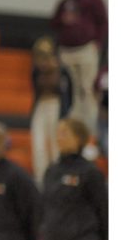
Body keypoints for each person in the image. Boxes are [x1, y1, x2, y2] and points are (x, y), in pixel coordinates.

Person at [51, 0, 107, 135]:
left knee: (87, 88)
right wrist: (63, 20)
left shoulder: (95, 0)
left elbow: (103, 22)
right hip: (67, 51)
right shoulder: (66, 1)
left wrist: (97, 42)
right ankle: (74, 128)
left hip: (86, 49)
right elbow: (53, 22)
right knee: (71, 91)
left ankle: (90, 130)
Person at [30, 37, 73, 185]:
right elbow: (35, 90)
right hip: (41, 105)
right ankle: (41, 179)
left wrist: (65, 112)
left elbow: (69, 93)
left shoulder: (62, 70)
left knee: (56, 144)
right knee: (38, 142)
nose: (43, 60)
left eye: (46, 55)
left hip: (56, 106)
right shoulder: (36, 71)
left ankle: (58, 178)